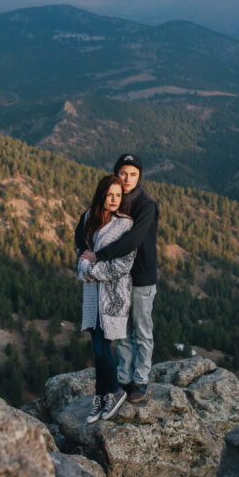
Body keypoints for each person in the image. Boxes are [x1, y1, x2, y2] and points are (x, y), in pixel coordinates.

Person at [75, 154, 158, 404]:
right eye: (123, 173)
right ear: (116, 173)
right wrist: (84, 253)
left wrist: (98, 257)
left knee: (141, 330)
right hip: (116, 281)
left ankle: (140, 380)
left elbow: (132, 241)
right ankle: (123, 378)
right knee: (121, 332)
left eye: (133, 174)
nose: (127, 179)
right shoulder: (115, 199)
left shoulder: (146, 205)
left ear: (139, 177)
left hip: (140, 276)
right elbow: (83, 227)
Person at [77, 174, 137, 424]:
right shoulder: (89, 218)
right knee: (96, 347)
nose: (114, 199)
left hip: (113, 295)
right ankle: (100, 396)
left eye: (118, 195)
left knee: (102, 348)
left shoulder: (125, 224)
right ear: (101, 194)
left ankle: (115, 391)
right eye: (109, 194)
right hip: (92, 295)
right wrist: (83, 268)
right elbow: (81, 253)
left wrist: (91, 270)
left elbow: (123, 264)